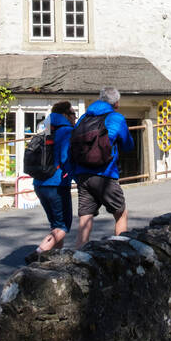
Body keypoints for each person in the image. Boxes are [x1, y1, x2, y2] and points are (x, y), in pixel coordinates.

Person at [71, 86, 133, 247]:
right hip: (105, 174)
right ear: (116, 103)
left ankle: (79, 255)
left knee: (85, 218)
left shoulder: (84, 117)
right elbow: (128, 145)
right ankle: (121, 251)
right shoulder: (116, 118)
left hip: (82, 174)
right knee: (120, 213)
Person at [32, 101, 76, 253]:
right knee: (63, 226)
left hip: (39, 183)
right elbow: (65, 158)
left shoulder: (45, 128)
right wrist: (76, 176)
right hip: (57, 184)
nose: (75, 118)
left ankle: (54, 257)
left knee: (55, 225)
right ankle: (40, 252)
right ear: (65, 114)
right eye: (72, 114)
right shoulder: (67, 131)